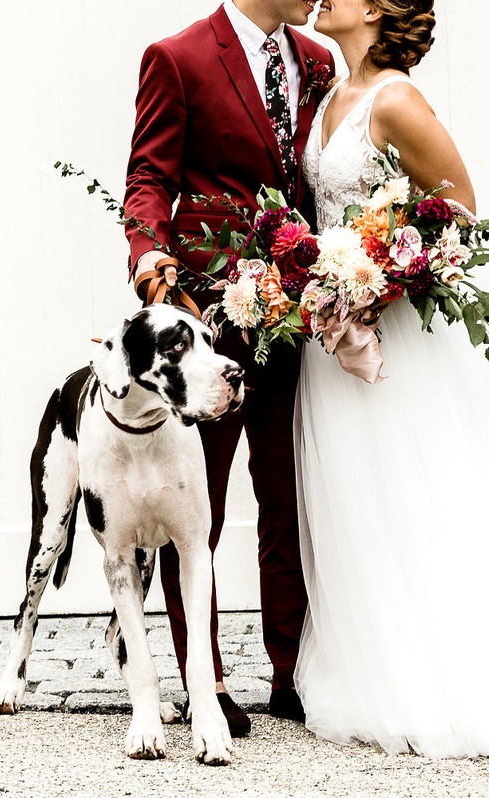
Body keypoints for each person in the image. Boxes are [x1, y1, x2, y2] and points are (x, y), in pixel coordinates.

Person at [124, 0, 334, 735]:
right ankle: (203, 680)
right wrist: (150, 252)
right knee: (198, 506)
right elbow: (148, 177)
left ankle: (292, 671)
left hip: (297, 317)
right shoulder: (177, 57)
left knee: (289, 493)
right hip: (209, 323)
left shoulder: (317, 60)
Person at [295, 0, 489, 757]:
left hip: (390, 329)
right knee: (354, 492)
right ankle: (373, 668)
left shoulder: (397, 98)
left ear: (376, 7)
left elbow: (462, 209)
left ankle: (438, 678)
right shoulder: (332, 94)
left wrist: (381, 272)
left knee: (411, 488)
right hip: (331, 327)